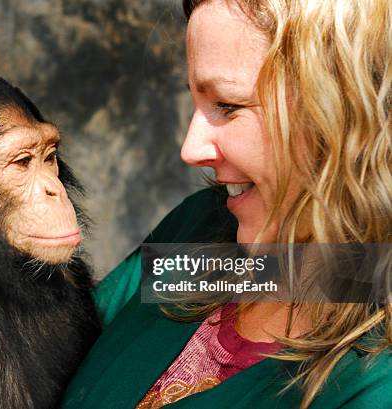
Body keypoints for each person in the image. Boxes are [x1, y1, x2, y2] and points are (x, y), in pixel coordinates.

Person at [61, 0, 391, 408]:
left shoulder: (373, 381)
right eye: (197, 103)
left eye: (228, 106)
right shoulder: (202, 230)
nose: (190, 148)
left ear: (345, 108)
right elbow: (47, 348)